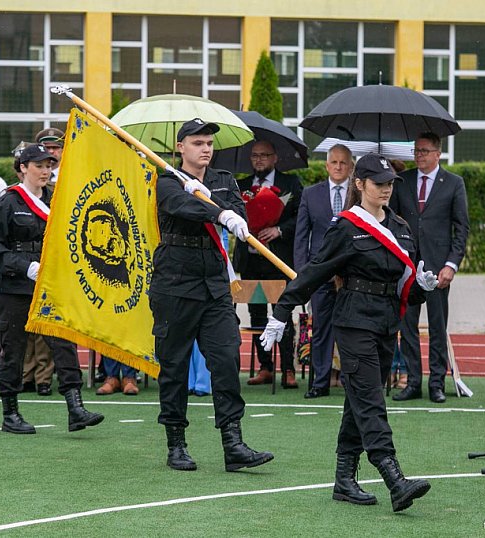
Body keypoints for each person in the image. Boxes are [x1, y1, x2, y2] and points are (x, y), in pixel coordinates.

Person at [261, 153, 437, 512]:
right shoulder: (346, 227)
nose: (386, 189)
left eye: (390, 183)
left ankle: (344, 480)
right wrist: (282, 310)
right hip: (354, 320)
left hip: (387, 322)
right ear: (360, 185)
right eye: (379, 183)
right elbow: (315, 271)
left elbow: (404, 286)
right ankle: (393, 477)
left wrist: (422, 286)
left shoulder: (400, 227)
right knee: (371, 399)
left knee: (358, 399)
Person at [150, 118, 273, 472]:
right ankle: (176, 443)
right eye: (198, 142)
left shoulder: (223, 180)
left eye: (209, 143)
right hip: (175, 280)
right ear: (181, 147)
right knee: (173, 365)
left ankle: (233, 443)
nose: (206, 148)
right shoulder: (168, 180)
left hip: (215, 281)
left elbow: (239, 211)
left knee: (225, 358)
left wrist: (225, 210)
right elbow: (182, 208)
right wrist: (219, 211)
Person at [0, 143, 103, 434]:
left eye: (49, 165)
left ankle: (75, 408)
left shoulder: (55, 199)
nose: (46, 171)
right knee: (14, 348)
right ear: (23, 168)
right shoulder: (8, 202)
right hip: (14, 286)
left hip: (49, 283)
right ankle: (10, 413)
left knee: (63, 343)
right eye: (39, 165)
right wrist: (25, 266)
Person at [389, 132, 470, 404]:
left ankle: (437, 383)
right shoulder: (403, 182)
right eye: (416, 150)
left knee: (437, 326)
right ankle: (413, 382)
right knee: (407, 326)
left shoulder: (454, 183)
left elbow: (462, 228)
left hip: (439, 270)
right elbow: (393, 222)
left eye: (424, 150)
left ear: (438, 153)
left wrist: (451, 265)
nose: (419, 155)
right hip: (408, 267)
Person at [233, 140, 303, 389]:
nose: (259, 160)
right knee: (256, 314)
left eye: (264, 155)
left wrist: (279, 229)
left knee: (282, 313)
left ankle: (287, 369)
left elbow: (300, 218)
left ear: (275, 158)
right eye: (255, 155)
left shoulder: (291, 184)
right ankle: (265, 367)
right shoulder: (240, 186)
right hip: (251, 260)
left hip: (279, 261)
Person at [293, 143, 353, 399]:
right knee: (321, 331)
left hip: (352, 274)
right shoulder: (310, 194)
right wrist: (302, 276)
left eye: (343, 163)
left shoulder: (360, 193)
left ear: (351, 167)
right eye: (334, 162)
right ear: (327, 165)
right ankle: (320, 382)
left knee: (352, 331)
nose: (338, 167)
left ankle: (353, 383)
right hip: (319, 276)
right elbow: (301, 238)